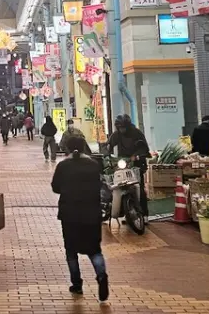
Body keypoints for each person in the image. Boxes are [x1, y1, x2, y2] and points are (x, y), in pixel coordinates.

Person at [52, 135, 110, 302]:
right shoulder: (93, 165)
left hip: (69, 214)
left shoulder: (63, 166)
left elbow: (56, 187)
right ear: (84, 147)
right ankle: (101, 275)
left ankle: (76, 284)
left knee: (71, 251)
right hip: (91, 214)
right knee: (95, 250)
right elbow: (100, 186)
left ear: (68, 149)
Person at [107, 115, 151, 219]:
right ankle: (126, 213)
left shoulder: (137, 133)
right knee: (119, 185)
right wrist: (107, 154)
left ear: (128, 126)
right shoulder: (116, 135)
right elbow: (108, 145)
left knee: (139, 187)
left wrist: (136, 156)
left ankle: (144, 214)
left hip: (137, 163)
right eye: (119, 128)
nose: (121, 130)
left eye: (123, 127)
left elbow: (144, 148)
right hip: (123, 162)